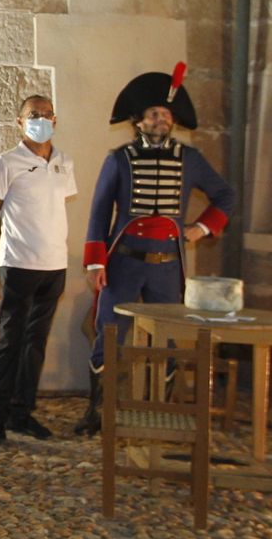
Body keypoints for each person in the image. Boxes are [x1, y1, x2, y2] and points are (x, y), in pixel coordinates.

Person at [76, 64, 234, 435]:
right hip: (124, 264)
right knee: (109, 334)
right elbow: (99, 212)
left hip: (167, 266)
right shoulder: (119, 159)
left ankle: (160, 411)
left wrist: (201, 227)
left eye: (165, 114)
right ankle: (98, 412)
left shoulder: (190, 159)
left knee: (172, 337)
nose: (160, 119)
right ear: (139, 121)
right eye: (153, 114)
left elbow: (226, 195)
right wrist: (95, 263)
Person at [0, 95, 78, 444]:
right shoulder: (8, 162)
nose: (41, 120)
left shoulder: (63, 162)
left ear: (55, 119)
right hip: (18, 265)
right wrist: (2, 250)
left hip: (54, 266)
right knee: (10, 340)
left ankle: (22, 412)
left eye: (47, 114)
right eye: (34, 115)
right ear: (20, 122)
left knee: (36, 342)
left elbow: (52, 208)